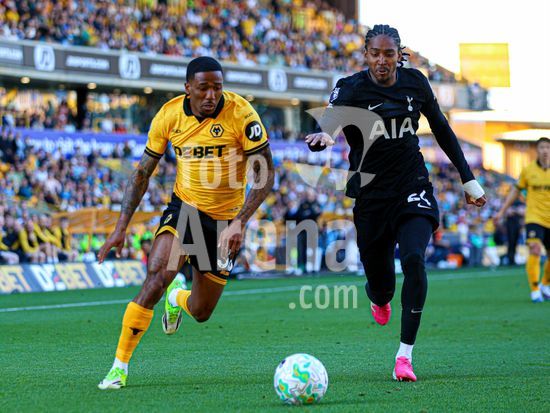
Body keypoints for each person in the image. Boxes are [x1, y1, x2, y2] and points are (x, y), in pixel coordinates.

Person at [305, 25, 486, 382]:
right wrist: (324, 135)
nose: (382, 61)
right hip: (371, 196)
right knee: (382, 284)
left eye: (389, 54)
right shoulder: (351, 87)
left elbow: (442, 129)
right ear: (366, 54)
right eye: (375, 54)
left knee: (415, 259)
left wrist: (468, 179)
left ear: (399, 55)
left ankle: (405, 356)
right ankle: (379, 296)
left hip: (412, 184)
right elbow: (332, 119)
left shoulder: (415, 83)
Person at [97, 56, 274, 389]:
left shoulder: (241, 114)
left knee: (201, 311)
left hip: (225, 223)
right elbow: (142, 172)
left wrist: (240, 222)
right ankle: (118, 368)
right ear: (188, 88)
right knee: (156, 278)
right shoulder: (169, 115)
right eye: (203, 88)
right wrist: (121, 227)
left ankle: (177, 297)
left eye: (217, 88)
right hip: (186, 211)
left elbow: (266, 174)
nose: (211, 95)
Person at [495, 137, 550, 302]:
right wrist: (502, 211)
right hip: (534, 217)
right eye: (542, 147)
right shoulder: (528, 170)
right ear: (537, 150)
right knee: (535, 248)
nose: (545, 150)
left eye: (548, 147)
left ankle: (545, 285)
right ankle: (535, 290)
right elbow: (515, 191)